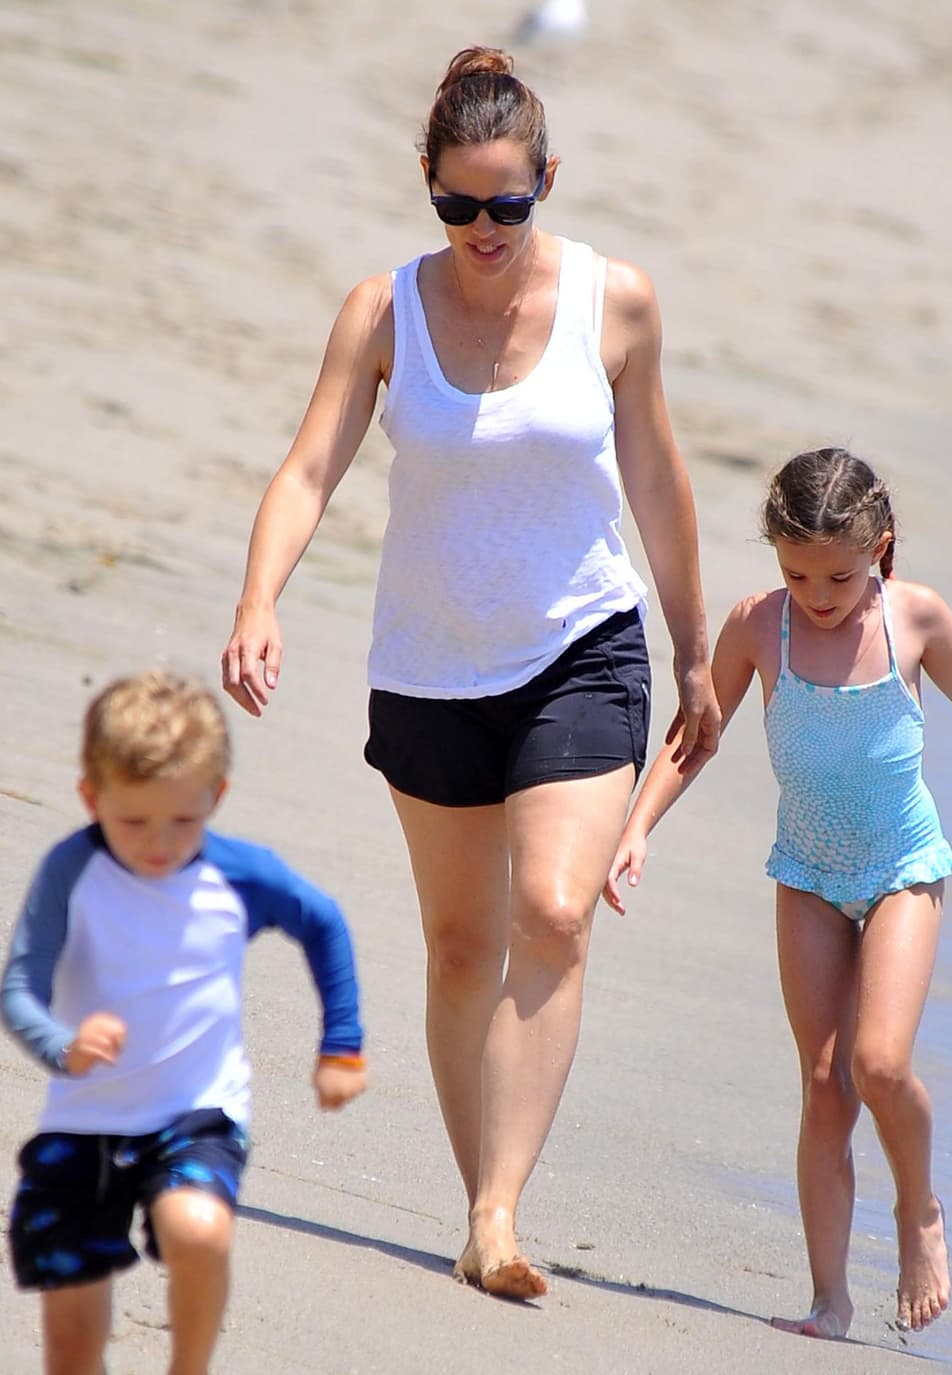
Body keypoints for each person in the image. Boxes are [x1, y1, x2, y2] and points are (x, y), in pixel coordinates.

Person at [220, 45, 719, 1300]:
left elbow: (656, 476)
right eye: (456, 203)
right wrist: (258, 597)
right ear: (428, 189)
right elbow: (306, 469)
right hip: (432, 661)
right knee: (457, 943)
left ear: (548, 179)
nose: (483, 226)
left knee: (551, 910)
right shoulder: (381, 310)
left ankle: (496, 1214)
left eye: (507, 201)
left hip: (581, 645)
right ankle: (477, 1198)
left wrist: (693, 643)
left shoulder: (618, 303)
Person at [605, 449, 952, 1339]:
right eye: (796, 571)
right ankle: (829, 1298)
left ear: (881, 549)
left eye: (839, 573)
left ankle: (919, 1210)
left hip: (903, 863)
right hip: (808, 871)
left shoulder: (916, 619)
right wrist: (637, 826)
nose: (817, 592)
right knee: (825, 1086)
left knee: (879, 1063)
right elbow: (694, 738)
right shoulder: (760, 627)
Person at [2, 670, 366, 1375]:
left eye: (185, 820)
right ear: (91, 796)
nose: (161, 843)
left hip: (197, 1112)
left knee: (199, 1231)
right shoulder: (70, 871)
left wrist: (341, 1046)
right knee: (72, 1347)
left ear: (216, 797)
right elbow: (19, 984)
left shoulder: (238, 874)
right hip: (84, 1121)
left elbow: (323, 921)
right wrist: (61, 1044)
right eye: (133, 820)